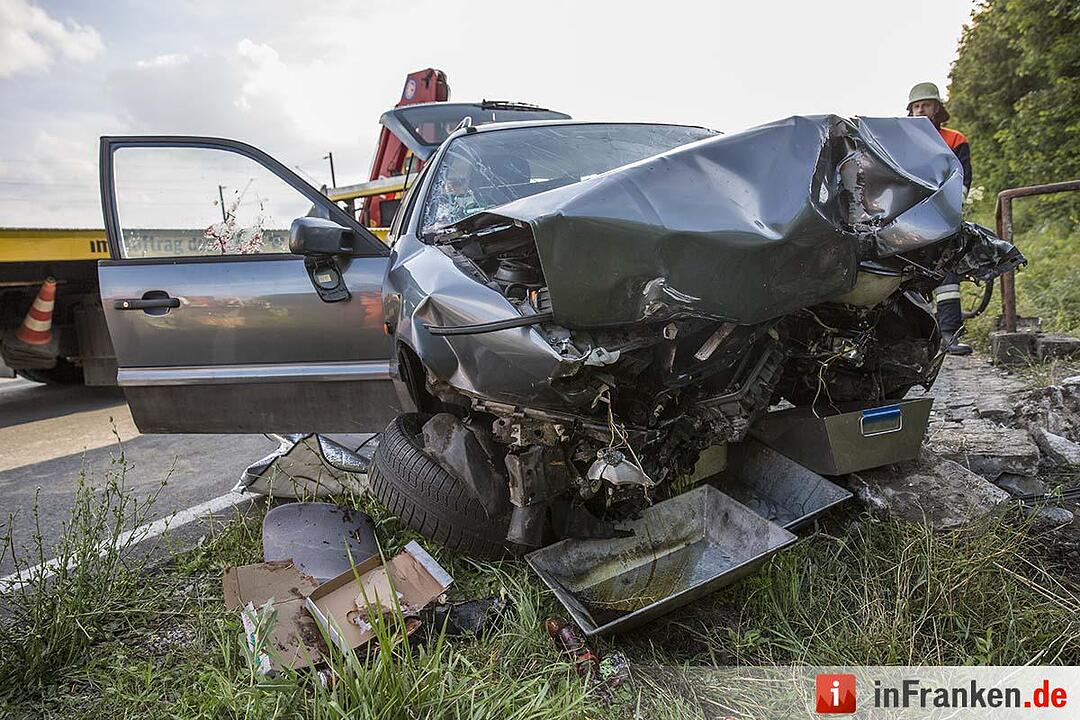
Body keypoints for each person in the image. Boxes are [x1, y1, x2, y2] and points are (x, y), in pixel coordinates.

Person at [908, 81, 973, 356]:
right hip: (907, 217)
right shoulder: (900, 141)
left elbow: (963, 180)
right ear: (910, 111)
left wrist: (948, 212)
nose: (921, 110)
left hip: (942, 217)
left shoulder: (955, 140)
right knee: (905, 275)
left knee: (946, 273)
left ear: (937, 109)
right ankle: (911, 340)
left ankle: (949, 334)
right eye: (916, 106)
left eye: (926, 105)